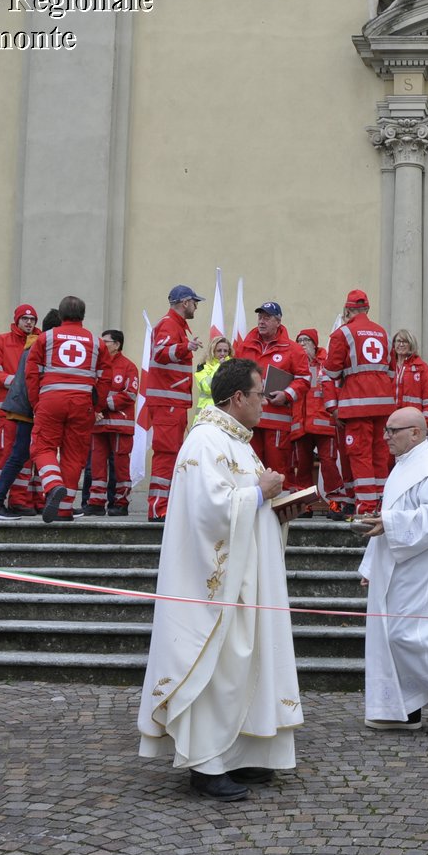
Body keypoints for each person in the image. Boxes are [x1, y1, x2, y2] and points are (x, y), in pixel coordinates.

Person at [137, 358, 303, 801]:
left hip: (247, 578)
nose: (265, 402)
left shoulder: (237, 442)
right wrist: (259, 493)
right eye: (259, 394)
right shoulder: (205, 441)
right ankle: (206, 763)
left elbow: (244, 502)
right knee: (217, 666)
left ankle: (242, 753)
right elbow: (208, 511)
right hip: (215, 584)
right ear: (237, 399)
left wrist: (276, 506)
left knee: (242, 665)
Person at [356, 405, 428, 732]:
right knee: (389, 634)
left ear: (416, 433)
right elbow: (390, 515)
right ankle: (405, 709)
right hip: (396, 561)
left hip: (421, 566)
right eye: (386, 430)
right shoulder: (405, 465)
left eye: (393, 431)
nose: (386, 437)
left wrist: (391, 524)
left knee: (407, 634)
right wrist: (370, 565)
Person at [28, 295, 113, 524]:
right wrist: (96, 406)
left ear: (61, 314)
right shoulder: (97, 342)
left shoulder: (46, 338)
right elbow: (106, 379)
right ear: (82, 316)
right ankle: (64, 509)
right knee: (74, 456)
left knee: (42, 447)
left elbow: (32, 372)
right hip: (82, 403)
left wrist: (37, 402)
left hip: (51, 400)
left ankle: (53, 485)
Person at [0, 308, 57, 521]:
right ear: (16, 320)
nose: (29, 322)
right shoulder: (2, 341)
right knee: (8, 455)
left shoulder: (39, 340)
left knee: (27, 458)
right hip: (8, 409)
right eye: (25, 319)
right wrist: (16, 383)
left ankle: (24, 501)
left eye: (32, 319)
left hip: (28, 408)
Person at [324, 289, 394, 515]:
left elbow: (331, 372)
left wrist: (334, 406)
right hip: (383, 404)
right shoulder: (383, 332)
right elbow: (391, 371)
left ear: (348, 309)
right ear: (367, 308)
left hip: (356, 405)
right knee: (381, 455)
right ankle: (382, 505)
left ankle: (366, 508)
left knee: (359, 454)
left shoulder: (343, 334)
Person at [143, 284, 205, 522]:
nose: (196, 307)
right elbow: (160, 352)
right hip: (168, 403)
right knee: (166, 454)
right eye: (195, 303)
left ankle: (163, 506)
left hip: (173, 403)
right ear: (185, 302)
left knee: (171, 454)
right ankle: (158, 508)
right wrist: (184, 347)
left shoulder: (175, 325)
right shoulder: (169, 324)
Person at [236, 301, 310, 480]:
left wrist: (286, 395)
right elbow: (235, 375)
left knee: (276, 472)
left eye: (267, 318)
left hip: (276, 423)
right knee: (249, 471)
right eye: (260, 317)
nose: (261, 321)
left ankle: (277, 509)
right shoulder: (245, 346)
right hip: (249, 421)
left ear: (278, 321)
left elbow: (305, 379)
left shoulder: (293, 350)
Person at [85, 329, 139, 516]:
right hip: (99, 423)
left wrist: (101, 405)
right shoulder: (97, 366)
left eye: (105, 341)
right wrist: (95, 409)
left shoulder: (128, 366)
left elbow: (129, 394)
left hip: (119, 424)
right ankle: (96, 502)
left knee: (120, 465)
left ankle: (121, 502)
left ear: (116, 344)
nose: (102, 344)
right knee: (97, 464)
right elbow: (90, 391)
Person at [295, 328, 343, 504]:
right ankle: (304, 504)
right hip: (300, 423)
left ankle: (336, 502)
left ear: (315, 345)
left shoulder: (326, 363)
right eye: (299, 341)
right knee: (302, 465)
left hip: (324, 423)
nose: (302, 344)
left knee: (329, 463)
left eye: (306, 340)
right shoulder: (294, 363)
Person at [392, 329, 428, 434]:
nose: (401, 344)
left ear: (411, 344)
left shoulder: (422, 368)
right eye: (398, 341)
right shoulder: (388, 367)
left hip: (412, 421)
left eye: (405, 342)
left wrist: (426, 422)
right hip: (391, 420)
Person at [193, 336, 234, 419]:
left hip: (226, 415)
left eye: (225, 351)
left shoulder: (233, 367)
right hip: (206, 415)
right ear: (212, 351)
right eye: (219, 350)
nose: (222, 354)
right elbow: (207, 387)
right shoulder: (202, 366)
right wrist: (219, 367)